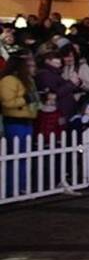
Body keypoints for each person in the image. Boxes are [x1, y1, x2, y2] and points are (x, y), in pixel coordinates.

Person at [0, 55, 40, 196]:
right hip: (14, 121)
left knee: (23, 156)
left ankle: (21, 186)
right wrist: (25, 99)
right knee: (14, 156)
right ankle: (11, 188)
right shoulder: (9, 80)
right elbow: (7, 103)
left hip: (26, 121)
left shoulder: (26, 81)